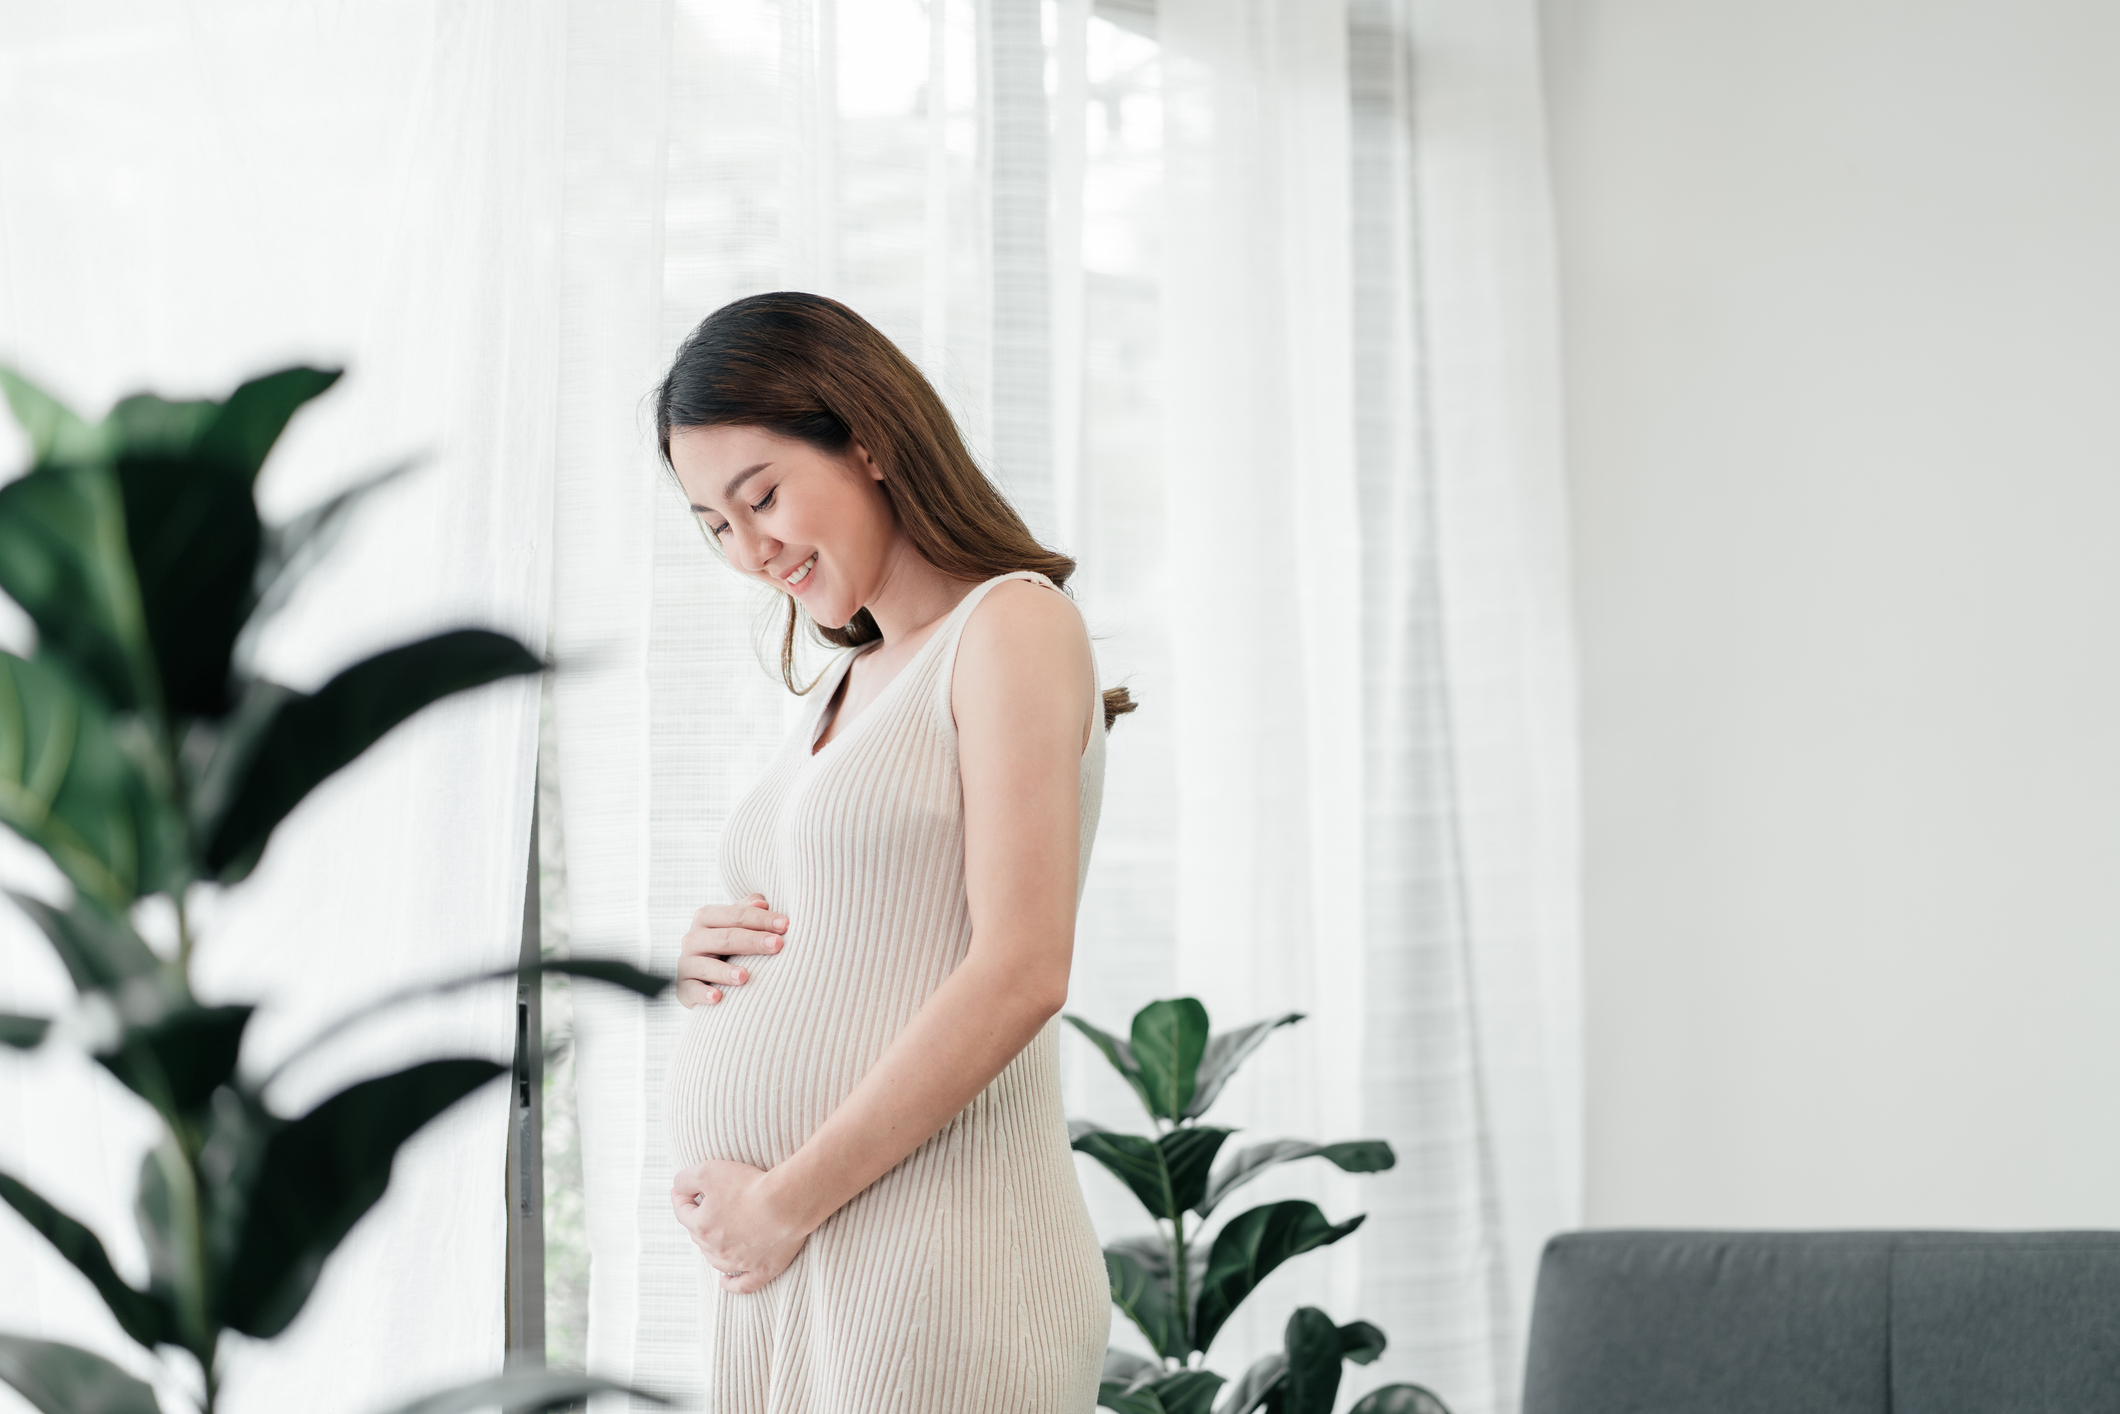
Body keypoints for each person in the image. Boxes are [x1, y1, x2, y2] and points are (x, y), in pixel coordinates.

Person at [656, 291, 1134, 1412]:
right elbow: (869, 922)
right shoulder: (851, 678)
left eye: (760, 495)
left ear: (864, 434)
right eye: (714, 525)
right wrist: (714, 955)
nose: (750, 548)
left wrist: (782, 1201)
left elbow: (1022, 968)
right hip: (808, 1254)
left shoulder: (1009, 625)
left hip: (933, 1256)